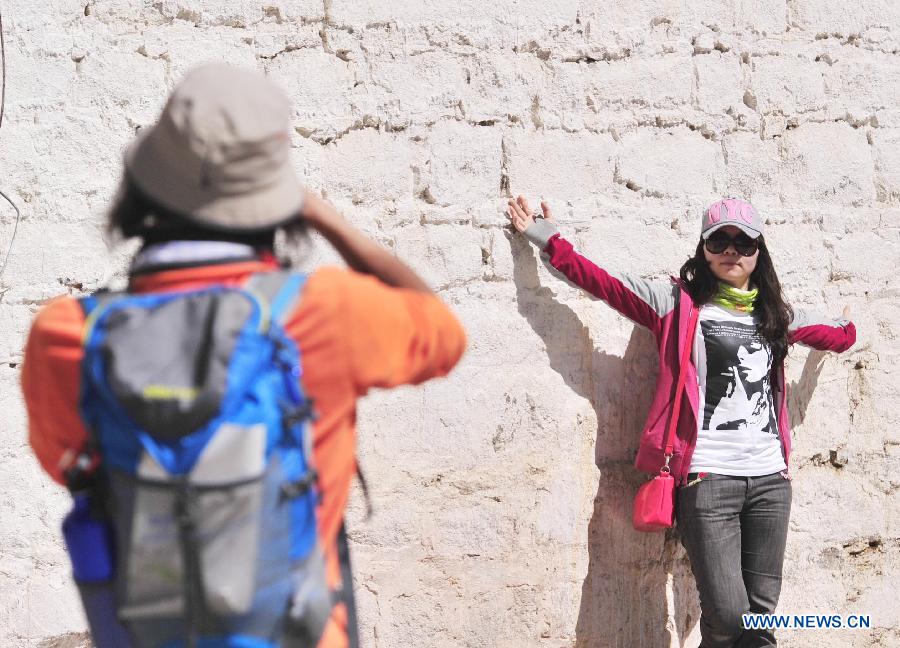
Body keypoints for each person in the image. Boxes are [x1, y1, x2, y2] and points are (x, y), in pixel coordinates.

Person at [21, 63, 466, 648]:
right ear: (273, 200)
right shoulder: (325, 314)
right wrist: (324, 216)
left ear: (145, 184)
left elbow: (68, 466)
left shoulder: (69, 335)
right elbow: (443, 334)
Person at [506, 195, 855, 647]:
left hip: (770, 481)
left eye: (743, 241)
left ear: (758, 251)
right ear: (704, 248)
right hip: (707, 479)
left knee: (759, 614)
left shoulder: (775, 316)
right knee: (731, 615)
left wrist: (849, 327)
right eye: (719, 240)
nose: (732, 250)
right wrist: (546, 237)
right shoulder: (676, 304)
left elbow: (834, 336)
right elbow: (604, 283)